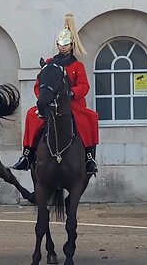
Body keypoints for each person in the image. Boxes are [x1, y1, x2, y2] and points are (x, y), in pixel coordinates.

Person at [13, 13, 99, 174]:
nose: (62, 47)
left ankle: (89, 156)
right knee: (32, 115)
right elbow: (40, 84)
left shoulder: (77, 66)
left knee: (90, 119)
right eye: (60, 44)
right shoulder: (50, 63)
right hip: (51, 103)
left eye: (65, 44)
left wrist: (71, 94)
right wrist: (44, 97)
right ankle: (27, 154)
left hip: (72, 104)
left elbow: (84, 86)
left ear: (71, 45)